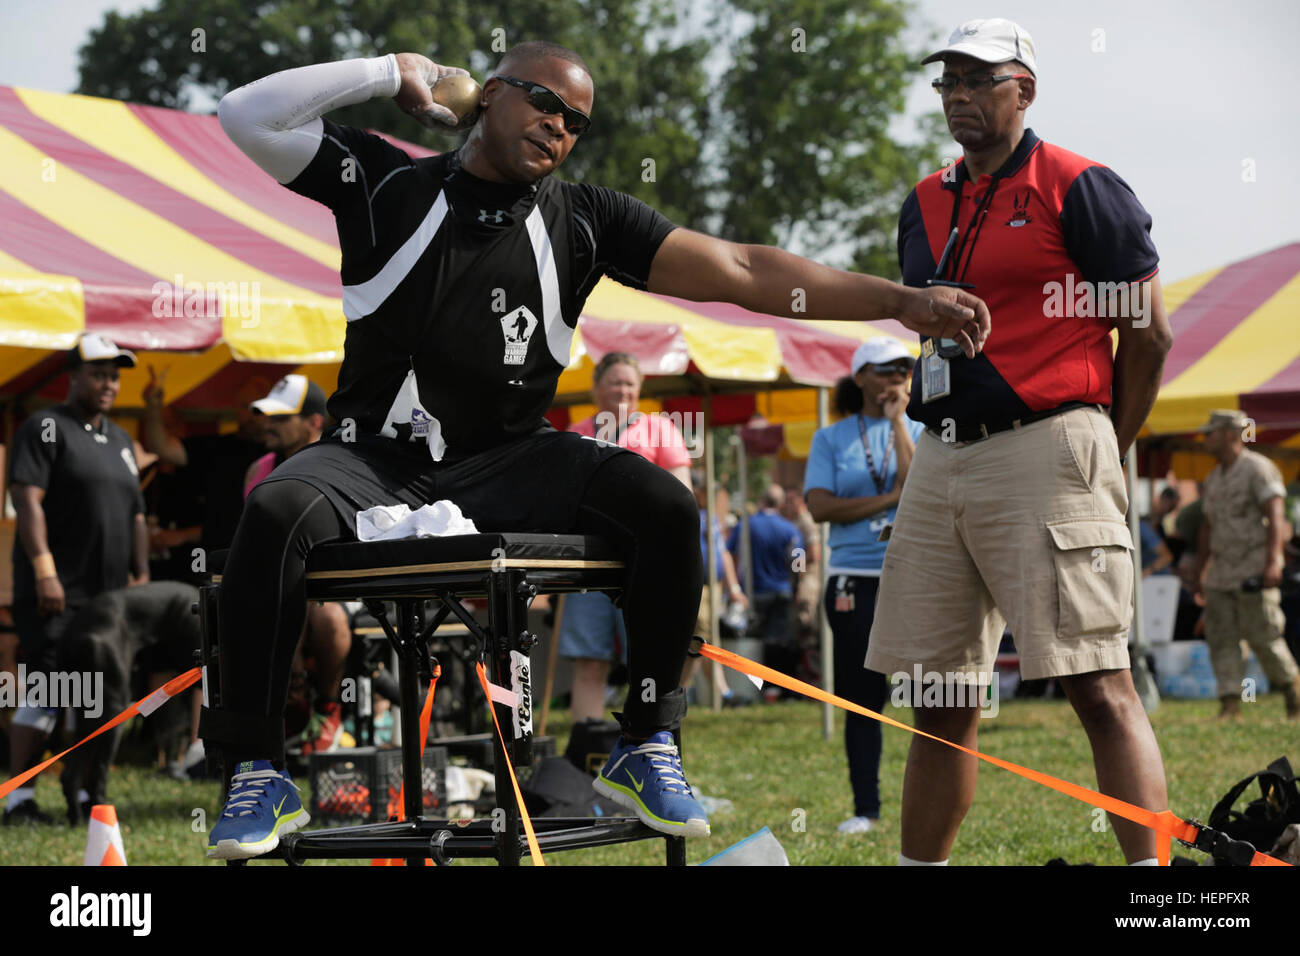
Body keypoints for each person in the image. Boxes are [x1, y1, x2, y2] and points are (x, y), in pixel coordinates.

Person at [201, 41, 989, 859]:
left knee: (663, 504)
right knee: (274, 509)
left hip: (508, 459)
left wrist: (899, 302)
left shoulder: (585, 218)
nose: (559, 127)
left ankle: (647, 740)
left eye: (576, 121)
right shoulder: (386, 182)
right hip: (371, 457)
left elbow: (745, 268)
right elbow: (244, 114)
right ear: (489, 94)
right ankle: (256, 768)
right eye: (544, 103)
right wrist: (388, 71)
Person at [865, 18, 1174, 865]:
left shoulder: (1078, 183)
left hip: (1052, 442)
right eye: (947, 82)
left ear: (1023, 90)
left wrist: (1107, 443)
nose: (958, 96)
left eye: (978, 80)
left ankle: (1158, 891)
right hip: (942, 456)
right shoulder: (924, 199)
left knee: (1099, 685)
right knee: (939, 694)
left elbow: (1149, 337)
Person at [3, 333, 150, 826]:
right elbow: (26, 499)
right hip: (56, 592)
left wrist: (143, 580)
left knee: (100, 697)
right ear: (73, 377)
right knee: (51, 689)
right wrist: (44, 569)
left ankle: (84, 792)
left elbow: (135, 517)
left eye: (114, 375)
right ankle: (16, 798)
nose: (108, 383)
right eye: (98, 373)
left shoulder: (123, 440)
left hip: (110, 602)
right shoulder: (45, 427)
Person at [804, 338, 924, 834]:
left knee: (930, 698)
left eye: (903, 368)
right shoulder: (830, 438)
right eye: (885, 369)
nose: (896, 376)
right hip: (854, 577)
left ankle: (927, 809)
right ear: (860, 378)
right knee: (862, 697)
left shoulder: (920, 428)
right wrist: (887, 500)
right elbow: (820, 506)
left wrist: (898, 421)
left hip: (916, 573)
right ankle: (866, 810)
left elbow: (917, 487)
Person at [561, 352, 691, 723]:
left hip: (646, 561)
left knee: (649, 659)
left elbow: (680, 497)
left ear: (640, 390)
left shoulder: (661, 429)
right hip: (590, 561)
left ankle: (646, 742)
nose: (622, 390)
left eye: (629, 384)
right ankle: (587, 753)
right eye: (615, 382)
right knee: (589, 660)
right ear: (596, 387)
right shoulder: (576, 434)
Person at [243, 375, 353, 754]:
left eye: (280, 417)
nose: (268, 425)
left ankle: (327, 709)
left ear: (314, 423)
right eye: (266, 417)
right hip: (277, 583)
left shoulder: (339, 465)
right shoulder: (257, 470)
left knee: (327, 618)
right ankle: (282, 707)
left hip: (335, 585)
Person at [1193, 410, 1300, 718]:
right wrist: (1201, 570)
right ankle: (1230, 703)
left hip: (1253, 568)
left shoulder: (1258, 469)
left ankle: (1292, 691)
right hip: (1222, 572)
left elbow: (1276, 515)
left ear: (1229, 434)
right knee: (1221, 637)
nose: (1205, 438)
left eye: (1211, 432)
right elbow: (1207, 528)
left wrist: (1273, 561)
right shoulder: (1213, 479)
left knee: (1263, 635)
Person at [728, 485, 803, 684]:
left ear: (762, 500)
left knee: (754, 640)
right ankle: (777, 686)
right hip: (782, 590)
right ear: (780, 504)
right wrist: (796, 586)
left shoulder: (746, 525)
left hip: (755, 591)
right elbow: (799, 564)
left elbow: (731, 554)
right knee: (779, 639)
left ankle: (756, 685)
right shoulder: (790, 529)